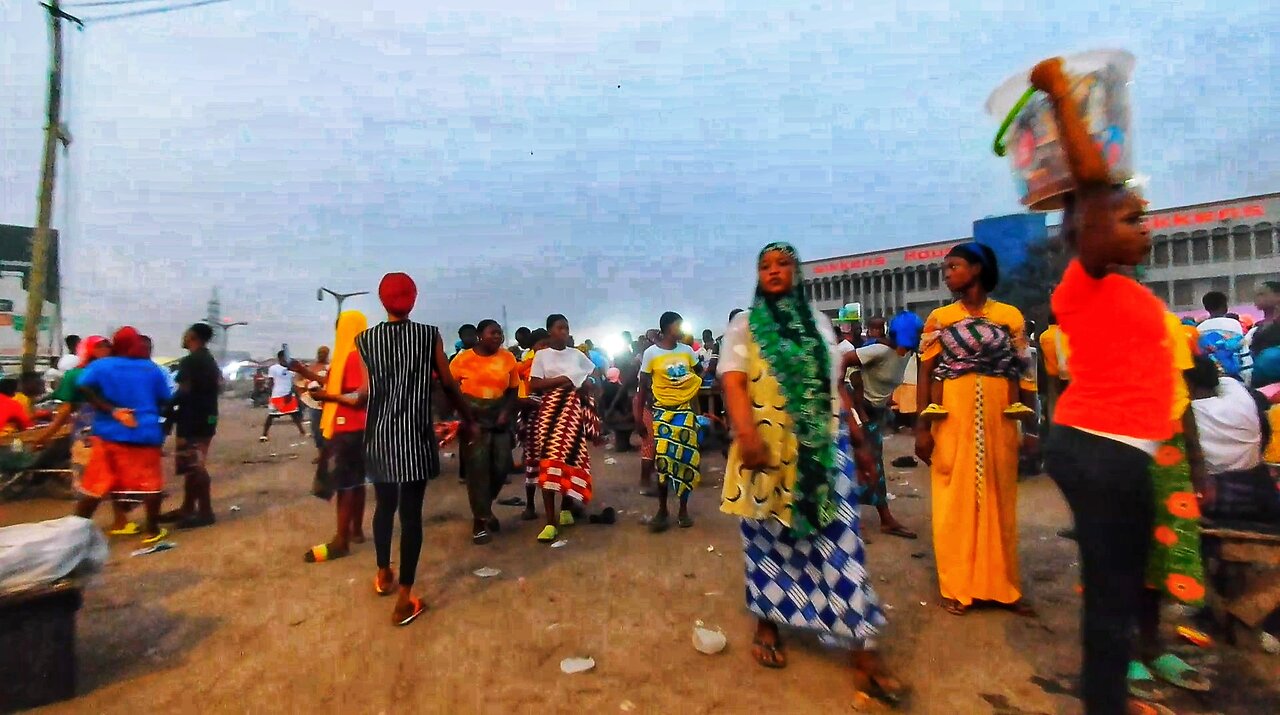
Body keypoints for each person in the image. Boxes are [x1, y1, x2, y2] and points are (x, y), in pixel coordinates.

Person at [1030, 56, 1179, 715]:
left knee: (1122, 583)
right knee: (1114, 590)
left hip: (1123, 449)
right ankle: (1106, 703)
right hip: (1100, 447)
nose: (1141, 225)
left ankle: (1111, 693)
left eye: (1141, 217)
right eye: (1128, 218)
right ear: (1086, 230)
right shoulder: (1083, 281)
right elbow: (1092, 183)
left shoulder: (1119, 287)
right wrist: (1063, 94)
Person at [719, 242, 904, 708]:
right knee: (767, 542)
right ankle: (768, 622)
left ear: (797, 273)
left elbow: (835, 385)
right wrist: (747, 436)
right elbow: (733, 381)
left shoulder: (819, 325)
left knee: (843, 546)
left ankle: (863, 650)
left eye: (783, 264)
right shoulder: (745, 325)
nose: (774, 271)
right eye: (765, 265)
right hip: (765, 449)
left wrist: (859, 438)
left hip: (823, 451)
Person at [915, 242, 1035, 617]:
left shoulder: (1010, 316)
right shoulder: (939, 318)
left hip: (1001, 411)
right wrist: (922, 426)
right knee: (954, 498)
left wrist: (1030, 426)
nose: (948, 274)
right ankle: (958, 587)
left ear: (977, 269)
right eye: (946, 268)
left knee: (1000, 497)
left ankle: (1003, 587)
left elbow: (1024, 373)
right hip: (952, 410)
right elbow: (925, 373)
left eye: (954, 266)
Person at [358, 272, 475, 626]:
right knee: (411, 517)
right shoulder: (428, 335)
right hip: (414, 437)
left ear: (382, 300)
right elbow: (449, 383)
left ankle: (383, 574)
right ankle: (405, 598)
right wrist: (467, 416)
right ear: (413, 298)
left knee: (383, 507)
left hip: (378, 436)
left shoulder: (364, 339)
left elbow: (364, 393)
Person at [1127, 317, 1213, 701]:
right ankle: (1123, 652)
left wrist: (1197, 465)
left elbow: (1182, 398)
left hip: (1167, 453)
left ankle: (1152, 646)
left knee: (1161, 554)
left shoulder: (1166, 326)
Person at [73, 327, 173, 544]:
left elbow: (82, 387)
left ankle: (74, 534)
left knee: (96, 484)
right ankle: (152, 531)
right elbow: (165, 398)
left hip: (108, 433)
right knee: (151, 484)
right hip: (143, 433)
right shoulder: (151, 369)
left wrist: (112, 410)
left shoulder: (101, 365)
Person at [290, 311, 369, 563]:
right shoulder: (353, 355)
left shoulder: (356, 356)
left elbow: (359, 396)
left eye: (340, 326)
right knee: (356, 483)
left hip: (350, 428)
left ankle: (341, 540)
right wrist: (304, 371)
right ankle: (355, 530)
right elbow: (334, 381)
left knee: (345, 485)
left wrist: (326, 398)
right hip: (356, 428)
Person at [842, 317, 918, 539]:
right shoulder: (878, 350)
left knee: (870, 464)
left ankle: (878, 519)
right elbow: (844, 362)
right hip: (857, 409)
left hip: (875, 412)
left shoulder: (907, 354)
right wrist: (851, 402)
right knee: (861, 464)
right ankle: (861, 520)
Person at [528, 313, 600, 544]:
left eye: (566, 328)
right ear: (549, 331)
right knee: (548, 463)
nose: (564, 331)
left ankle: (567, 506)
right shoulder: (541, 356)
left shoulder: (577, 354)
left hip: (572, 414)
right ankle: (550, 521)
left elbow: (593, 375)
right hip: (549, 414)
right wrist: (565, 379)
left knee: (571, 459)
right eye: (560, 327)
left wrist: (588, 384)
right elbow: (535, 384)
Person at [449, 319, 520, 545]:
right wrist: (462, 417)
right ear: (480, 336)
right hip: (473, 420)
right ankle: (479, 522)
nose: (498, 337)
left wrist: (505, 413)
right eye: (493, 333)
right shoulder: (463, 360)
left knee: (501, 466)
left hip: (498, 418)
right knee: (477, 470)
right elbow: (448, 388)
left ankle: (485, 508)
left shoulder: (508, 358)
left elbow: (513, 389)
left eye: (500, 333)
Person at [636, 311, 703, 532]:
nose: (681, 330)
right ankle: (663, 509)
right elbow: (643, 388)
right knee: (663, 461)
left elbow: (697, 377)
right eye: (677, 326)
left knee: (685, 461)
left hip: (685, 413)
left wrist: (696, 412)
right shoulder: (651, 354)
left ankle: (683, 510)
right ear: (666, 328)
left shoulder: (687, 351)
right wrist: (639, 417)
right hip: (662, 413)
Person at [159, 323, 223, 530]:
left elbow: (183, 391)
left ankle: (205, 512)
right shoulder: (209, 359)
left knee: (195, 465)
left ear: (193, 336)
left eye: (186, 333)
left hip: (193, 418)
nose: (183, 336)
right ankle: (188, 507)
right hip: (206, 417)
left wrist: (166, 412)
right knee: (192, 465)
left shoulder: (191, 361)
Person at [516, 327, 549, 520]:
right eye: (542, 344)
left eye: (547, 344)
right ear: (534, 346)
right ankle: (530, 505)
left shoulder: (553, 364)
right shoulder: (526, 366)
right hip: (533, 421)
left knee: (554, 461)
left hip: (552, 419)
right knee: (532, 464)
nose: (545, 348)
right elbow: (523, 397)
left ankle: (563, 507)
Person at [1197, 291, 1251, 382]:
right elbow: (1242, 349)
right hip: (1234, 376)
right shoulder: (1234, 324)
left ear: (1206, 308)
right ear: (1225, 306)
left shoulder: (1199, 328)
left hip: (1211, 377)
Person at [261, 352, 305, 442]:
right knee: (272, 415)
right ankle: (264, 435)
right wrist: (270, 394)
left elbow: (296, 380)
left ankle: (302, 432)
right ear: (280, 358)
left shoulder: (291, 369)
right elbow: (270, 382)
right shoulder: (273, 368)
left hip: (288, 394)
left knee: (294, 414)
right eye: (285, 357)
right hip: (277, 395)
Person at [304, 346, 331, 464]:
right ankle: (321, 454)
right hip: (314, 403)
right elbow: (304, 381)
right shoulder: (312, 367)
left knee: (328, 430)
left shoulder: (331, 367)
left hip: (328, 403)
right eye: (320, 352)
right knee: (316, 429)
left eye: (324, 353)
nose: (321, 355)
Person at [600, 366, 636, 452]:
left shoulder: (604, 385)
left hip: (606, 415)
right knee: (635, 417)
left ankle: (623, 443)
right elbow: (622, 406)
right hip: (614, 416)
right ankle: (623, 445)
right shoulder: (618, 388)